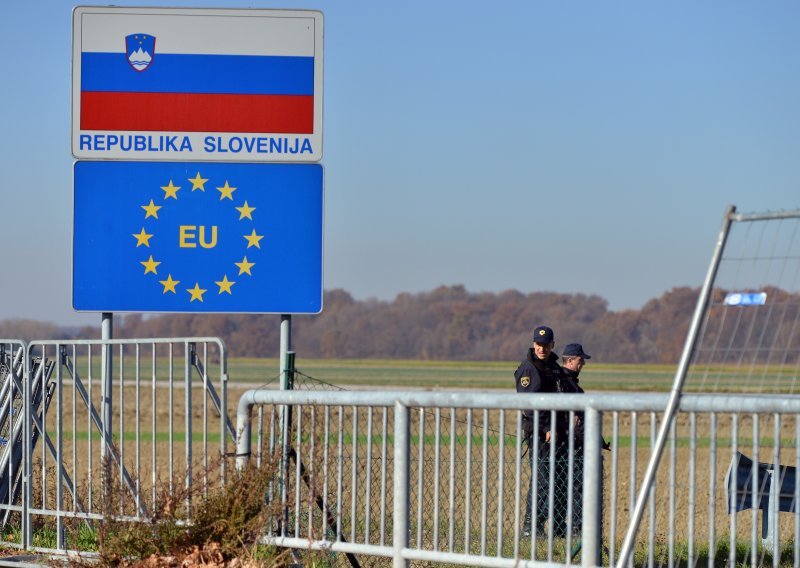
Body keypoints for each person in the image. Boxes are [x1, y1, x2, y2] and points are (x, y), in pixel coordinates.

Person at [514, 325, 571, 538]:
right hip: (539, 433)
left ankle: (552, 526)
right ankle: (531, 527)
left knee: (555, 480)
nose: (542, 348)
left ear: (552, 345)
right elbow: (531, 405)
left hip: (557, 434)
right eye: (539, 345)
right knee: (542, 479)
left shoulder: (554, 367)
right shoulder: (529, 368)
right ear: (533, 344)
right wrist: (547, 427)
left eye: (546, 345)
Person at [559, 343, 610, 535]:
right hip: (574, 444)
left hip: (577, 442)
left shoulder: (571, 383)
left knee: (577, 486)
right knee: (578, 487)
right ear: (570, 360)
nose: (583, 364)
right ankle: (577, 526)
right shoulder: (565, 384)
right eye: (581, 360)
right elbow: (574, 420)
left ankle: (576, 526)